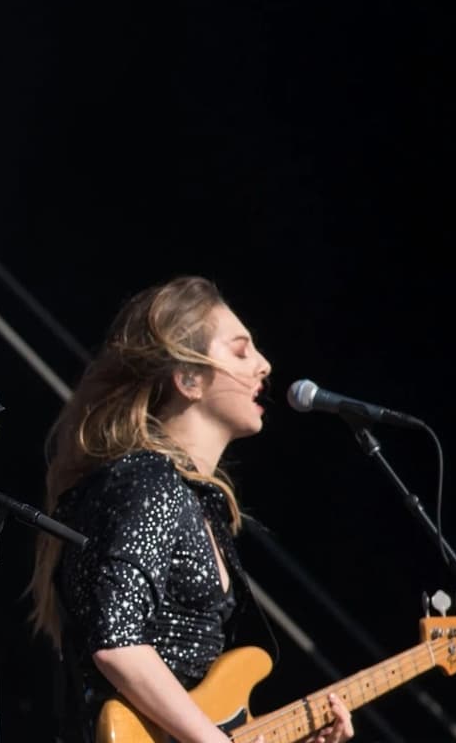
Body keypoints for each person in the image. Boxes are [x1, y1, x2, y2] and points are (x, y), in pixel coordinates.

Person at [27, 276, 354, 743]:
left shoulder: (191, 499)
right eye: (241, 351)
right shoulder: (145, 481)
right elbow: (117, 644)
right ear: (188, 379)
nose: (264, 365)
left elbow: (198, 699)